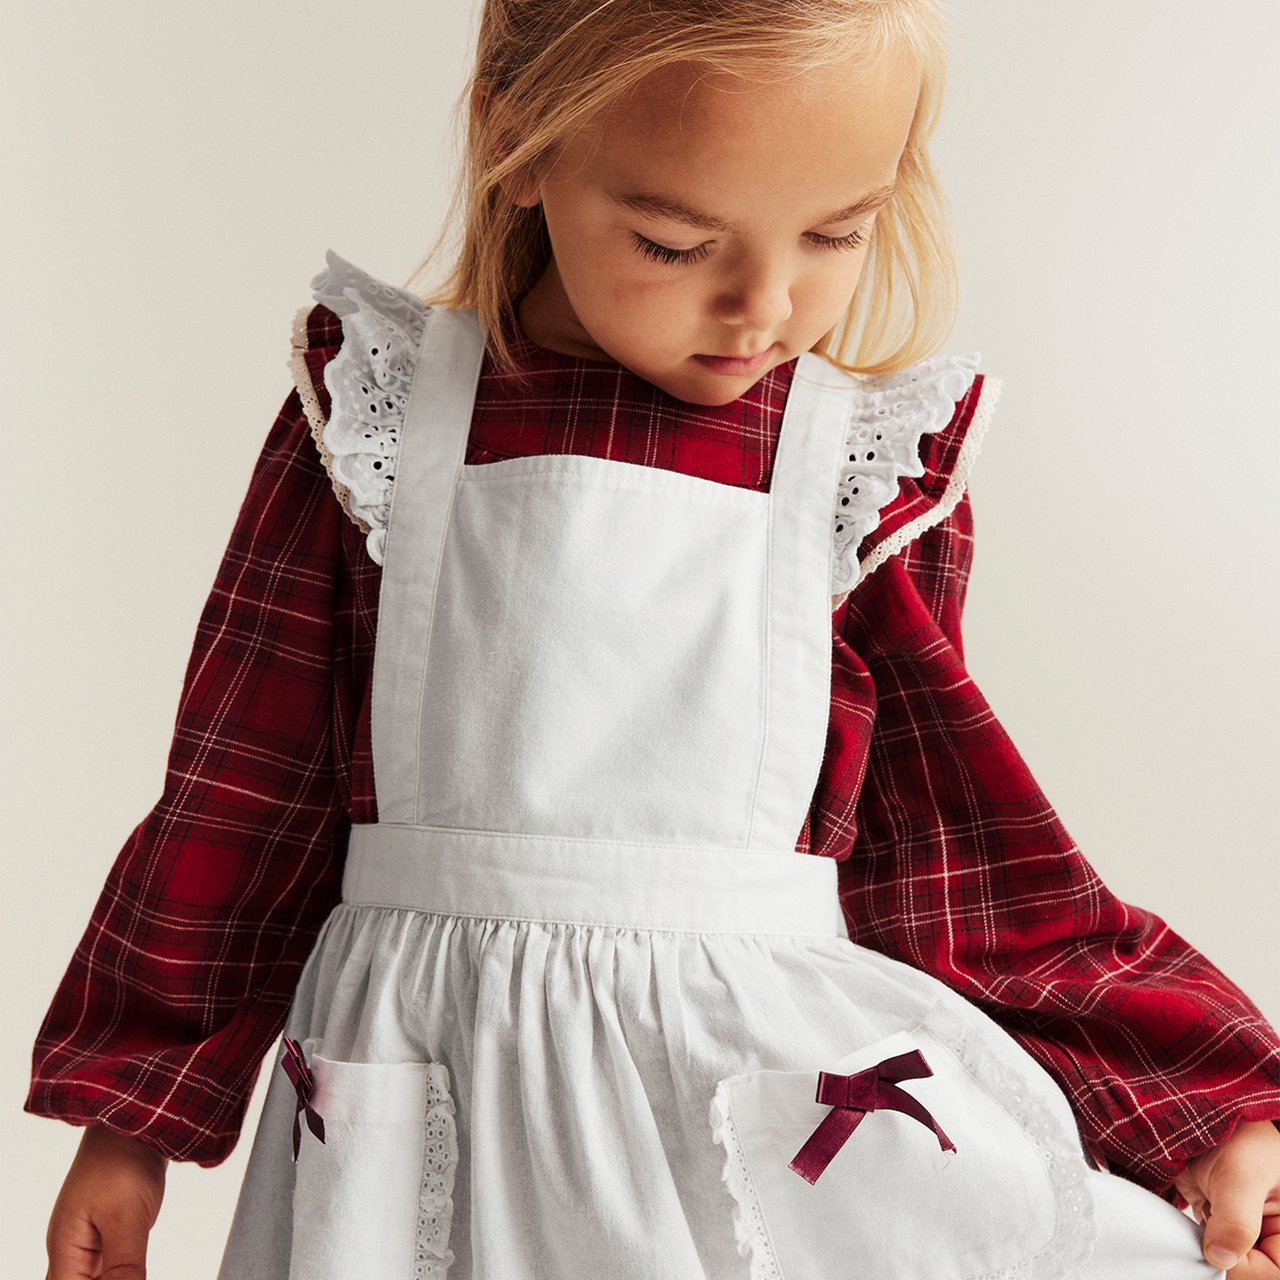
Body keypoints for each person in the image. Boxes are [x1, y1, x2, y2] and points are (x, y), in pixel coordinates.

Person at [28, 2, 1280, 1278]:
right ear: (520, 143)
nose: (764, 304)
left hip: (739, 1109)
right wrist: (126, 1120)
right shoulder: (377, 428)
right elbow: (241, 792)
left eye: (835, 231)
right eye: (676, 242)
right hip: (422, 1091)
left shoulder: (852, 477)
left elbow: (960, 851)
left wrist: (1199, 1101)